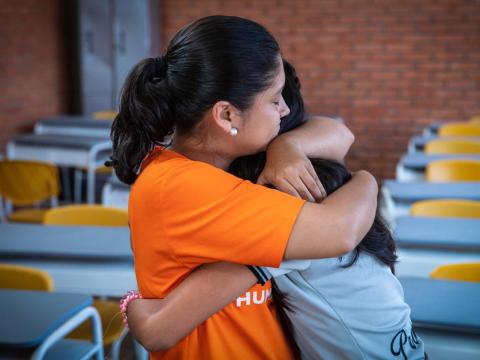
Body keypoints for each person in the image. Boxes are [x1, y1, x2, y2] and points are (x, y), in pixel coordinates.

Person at [110, 15, 378, 359]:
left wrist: (288, 147)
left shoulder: (214, 163)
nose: (284, 110)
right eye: (274, 99)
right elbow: (341, 230)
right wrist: (368, 179)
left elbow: (339, 134)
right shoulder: (183, 186)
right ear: (226, 116)